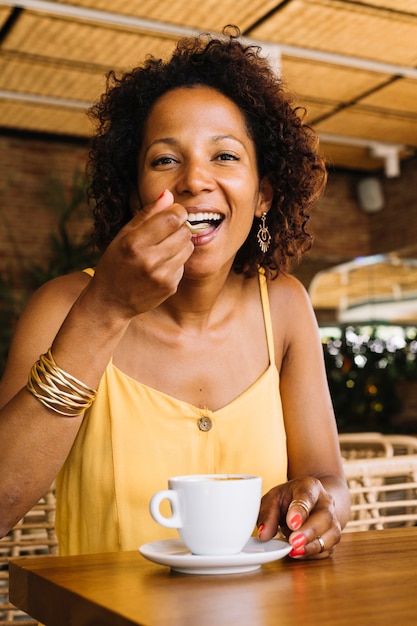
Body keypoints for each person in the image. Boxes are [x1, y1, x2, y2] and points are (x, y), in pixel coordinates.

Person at [0, 26, 350, 559]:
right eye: (165, 160)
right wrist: (106, 309)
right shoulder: (62, 306)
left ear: (262, 196)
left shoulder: (284, 306)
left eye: (225, 157)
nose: (193, 181)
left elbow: (328, 482)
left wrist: (316, 507)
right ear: (134, 191)